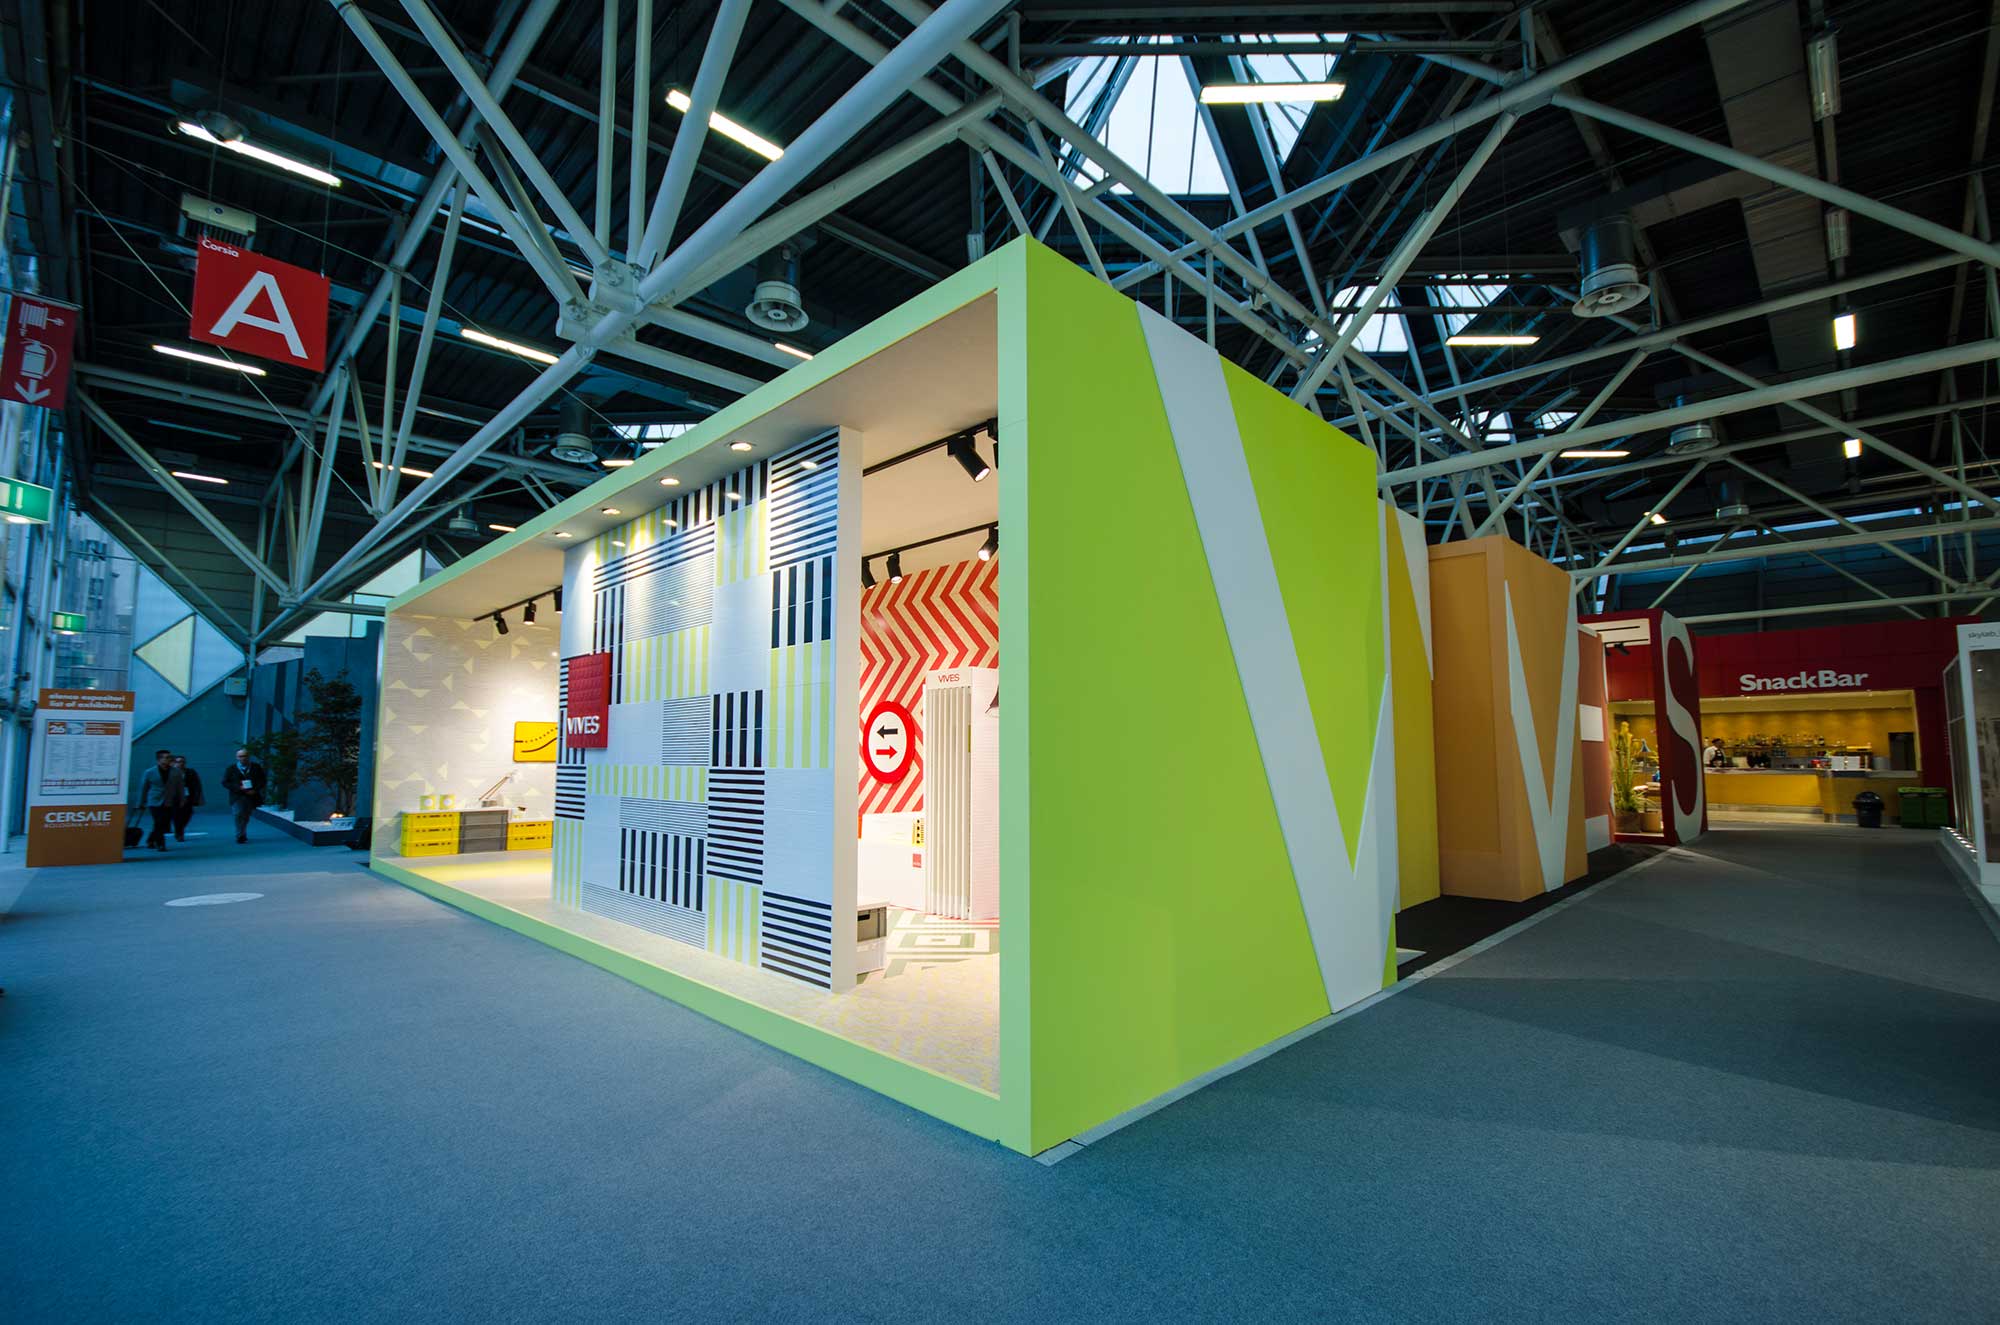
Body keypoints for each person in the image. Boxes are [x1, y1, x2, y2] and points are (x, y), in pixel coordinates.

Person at [134, 749, 185, 852]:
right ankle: (160, 844)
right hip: (154, 801)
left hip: (169, 801)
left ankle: (151, 839)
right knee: (159, 821)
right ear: (159, 760)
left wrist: (182, 800)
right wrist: (140, 803)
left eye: (169, 757)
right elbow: (144, 788)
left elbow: (180, 787)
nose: (169, 759)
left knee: (163, 823)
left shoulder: (176, 772)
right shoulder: (149, 772)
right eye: (166, 757)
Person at [223, 748, 267, 845]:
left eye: (245, 756)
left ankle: (242, 831)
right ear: (237, 757)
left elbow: (262, 780)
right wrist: (239, 788)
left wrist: (255, 790)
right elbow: (225, 782)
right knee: (238, 813)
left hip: (251, 795)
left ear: (248, 756)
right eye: (240, 756)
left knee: (246, 815)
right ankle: (240, 835)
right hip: (237, 796)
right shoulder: (231, 769)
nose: (243, 758)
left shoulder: (256, 767)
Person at [170, 755, 204, 842]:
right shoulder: (170, 772)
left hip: (187, 796)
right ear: (174, 763)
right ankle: (179, 833)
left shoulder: (190, 772)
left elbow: (196, 785)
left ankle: (180, 829)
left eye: (182, 762)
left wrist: (196, 797)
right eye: (178, 762)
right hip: (174, 798)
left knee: (188, 814)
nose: (180, 763)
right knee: (177, 815)